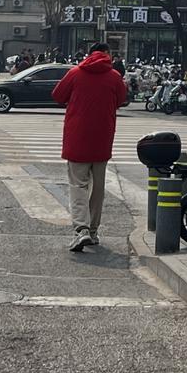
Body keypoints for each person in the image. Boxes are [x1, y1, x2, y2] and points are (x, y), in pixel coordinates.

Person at [52, 42, 128, 252]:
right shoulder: (114, 77)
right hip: (103, 138)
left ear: (89, 54)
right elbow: (122, 99)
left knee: (78, 186)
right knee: (98, 188)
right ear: (108, 55)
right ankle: (93, 231)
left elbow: (57, 95)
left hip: (77, 137)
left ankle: (81, 229)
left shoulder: (75, 73)